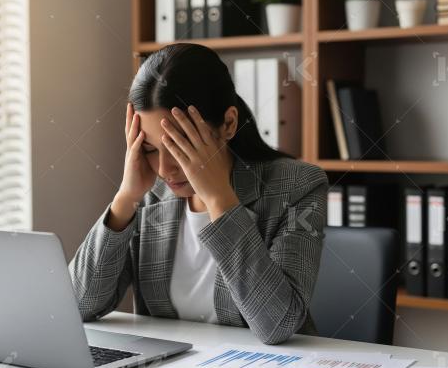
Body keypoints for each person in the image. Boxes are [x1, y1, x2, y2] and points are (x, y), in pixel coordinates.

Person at [68, 43, 328, 345]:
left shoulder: (298, 186)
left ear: (228, 123)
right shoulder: (150, 194)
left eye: (180, 146)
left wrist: (220, 200)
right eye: (150, 149)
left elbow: (277, 325)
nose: (165, 169)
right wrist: (125, 198)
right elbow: (79, 305)